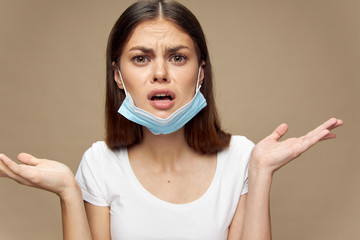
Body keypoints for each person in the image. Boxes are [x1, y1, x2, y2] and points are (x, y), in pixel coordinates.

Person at [0, 0, 343, 239]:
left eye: (178, 58)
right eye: (141, 59)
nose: (160, 73)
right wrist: (68, 192)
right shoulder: (100, 163)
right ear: (118, 76)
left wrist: (261, 172)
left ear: (200, 72)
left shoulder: (241, 158)